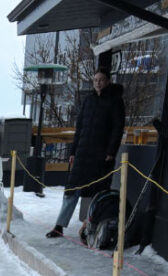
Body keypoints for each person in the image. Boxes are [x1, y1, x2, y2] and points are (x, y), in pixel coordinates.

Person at [46, 68, 125, 239]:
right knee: (71, 189)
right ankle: (59, 226)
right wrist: (73, 151)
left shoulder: (115, 101)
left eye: (101, 79)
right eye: (95, 79)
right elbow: (80, 128)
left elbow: (117, 129)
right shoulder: (88, 100)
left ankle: (92, 226)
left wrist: (111, 151)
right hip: (82, 153)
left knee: (97, 192)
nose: (98, 83)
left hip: (101, 154)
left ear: (108, 81)